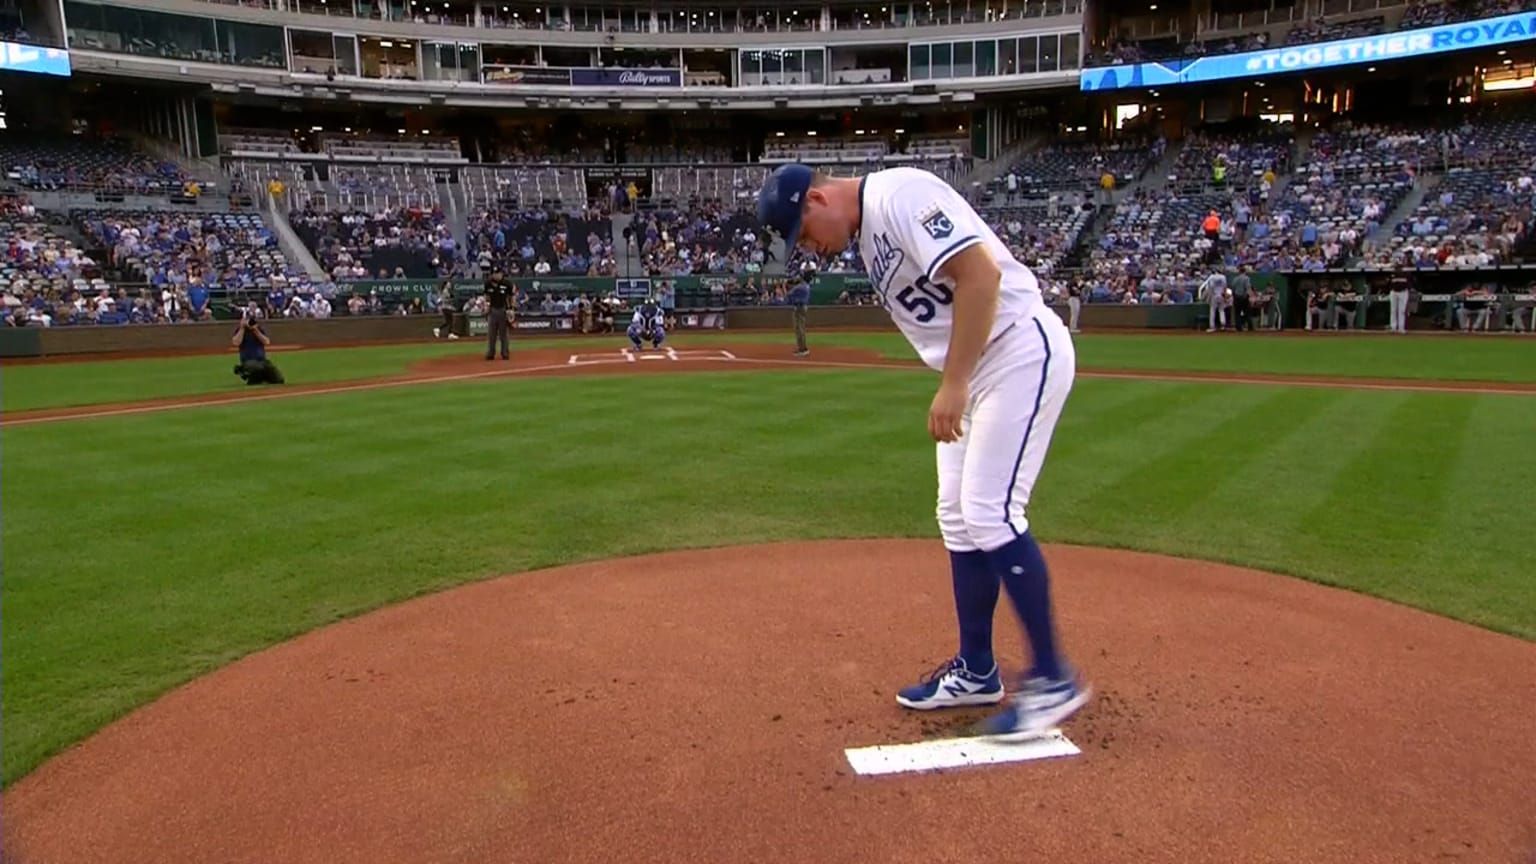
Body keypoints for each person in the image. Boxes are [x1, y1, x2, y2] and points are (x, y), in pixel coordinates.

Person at [756, 162, 1090, 741]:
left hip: (1016, 350)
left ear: (816, 198)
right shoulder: (868, 233)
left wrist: (954, 384)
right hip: (983, 366)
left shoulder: (899, 195)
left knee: (991, 511)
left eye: (804, 234)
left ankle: (1053, 677)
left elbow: (979, 275)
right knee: (958, 517)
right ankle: (977, 669)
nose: (811, 249)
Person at [231, 306, 284, 385]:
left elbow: (266, 341)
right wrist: (242, 328)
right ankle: (248, 375)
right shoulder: (240, 330)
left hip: (262, 360)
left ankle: (262, 377)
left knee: (278, 379)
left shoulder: (258, 329)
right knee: (258, 368)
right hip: (248, 360)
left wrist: (256, 330)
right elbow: (236, 342)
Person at [483, 269, 512, 361]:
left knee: (504, 334)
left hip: (503, 309)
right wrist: (486, 307)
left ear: (501, 273)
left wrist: (511, 309)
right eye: (494, 274)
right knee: (492, 333)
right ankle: (490, 353)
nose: (496, 275)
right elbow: (487, 296)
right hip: (493, 309)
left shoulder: (507, 283)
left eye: (497, 273)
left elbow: (511, 297)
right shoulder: (488, 283)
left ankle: (505, 353)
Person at [789, 273, 811, 356]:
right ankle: (802, 348)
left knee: (799, 328)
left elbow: (789, 294)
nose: (796, 278)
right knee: (801, 328)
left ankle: (802, 349)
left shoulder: (800, 287)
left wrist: (784, 285)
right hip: (803, 307)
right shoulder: (806, 285)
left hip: (799, 308)